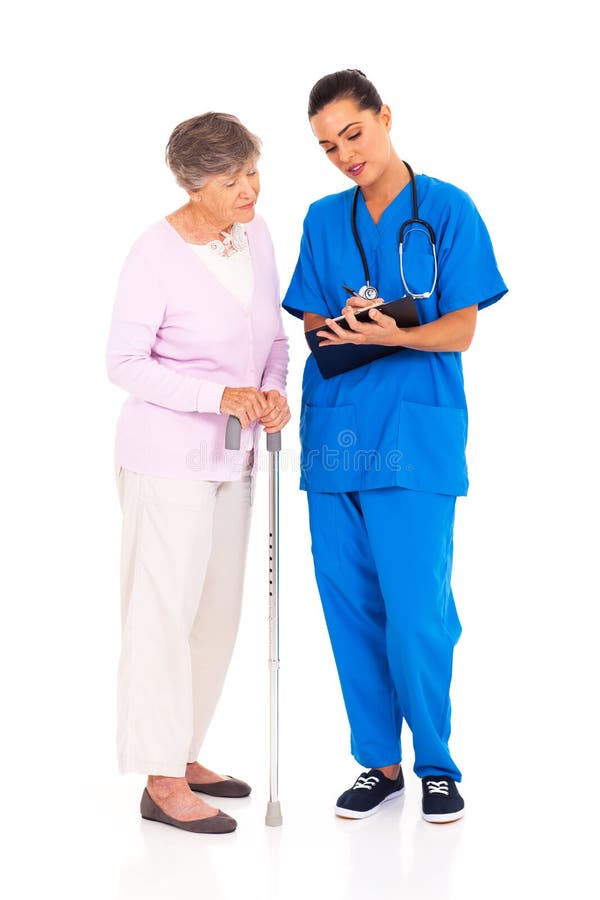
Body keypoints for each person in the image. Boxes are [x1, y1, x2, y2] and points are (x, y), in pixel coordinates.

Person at [282, 69, 507, 823]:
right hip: (338, 432)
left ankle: (437, 764)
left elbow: (464, 328)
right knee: (350, 606)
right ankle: (378, 762)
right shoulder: (323, 217)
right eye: (327, 146)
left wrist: (398, 332)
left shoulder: (446, 208)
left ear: (385, 116)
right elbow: (311, 325)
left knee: (417, 611)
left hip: (414, 434)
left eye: (353, 133)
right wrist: (343, 322)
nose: (345, 153)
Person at [106, 112, 290, 834]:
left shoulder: (257, 234)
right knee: (161, 615)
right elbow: (122, 365)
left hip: (234, 455)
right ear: (192, 183)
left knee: (216, 614)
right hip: (165, 461)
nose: (251, 188)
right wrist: (218, 396)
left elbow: (272, 337)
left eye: (252, 170)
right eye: (233, 179)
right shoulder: (153, 254)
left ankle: (181, 752)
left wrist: (273, 390)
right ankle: (158, 780)